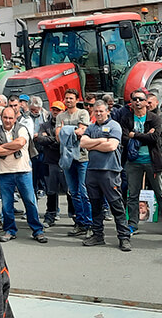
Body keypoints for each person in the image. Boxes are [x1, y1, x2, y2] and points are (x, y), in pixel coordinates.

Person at [119, 89, 162, 236]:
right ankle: (132, 224)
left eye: (141, 99)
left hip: (152, 161)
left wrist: (135, 135)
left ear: (146, 102)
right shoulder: (126, 118)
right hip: (133, 162)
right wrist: (145, 135)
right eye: (135, 99)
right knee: (132, 195)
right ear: (131, 103)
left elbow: (155, 138)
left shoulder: (154, 118)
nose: (138, 102)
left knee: (161, 194)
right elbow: (124, 138)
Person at [80, 100, 130, 251]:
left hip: (110, 171)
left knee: (116, 205)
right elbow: (82, 143)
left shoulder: (114, 125)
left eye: (102, 111)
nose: (99, 114)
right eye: (96, 111)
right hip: (93, 171)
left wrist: (93, 143)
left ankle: (124, 237)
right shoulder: (91, 127)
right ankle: (97, 235)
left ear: (107, 111)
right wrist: (102, 140)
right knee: (95, 205)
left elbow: (112, 146)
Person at [0, 106, 46, 243]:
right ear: (1, 118)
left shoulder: (22, 128)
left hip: (23, 170)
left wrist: (3, 146)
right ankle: (9, 230)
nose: (8, 120)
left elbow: (21, 142)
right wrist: (13, 146)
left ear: (15, 118)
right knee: (6, 204)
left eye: (10, 118)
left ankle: (37, 230)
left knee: (30, 201)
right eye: (5, 117)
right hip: (4, 172)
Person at [58, 100, 91, 237]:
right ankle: (80, 223)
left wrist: (66, 129)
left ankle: (90, 224)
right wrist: (73, 130)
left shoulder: (83, 113)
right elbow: (58, 136)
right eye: (66, 98)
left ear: (76, 99)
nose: (68, 100)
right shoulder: (60, 116)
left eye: (71, 98)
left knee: (84, 192)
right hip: (67, 158)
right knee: (73, 192)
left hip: (82, 158)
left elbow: (82, 132)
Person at [34, 101, 66, 226]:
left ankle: (75, 217)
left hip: (64, 162)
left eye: (58, 110)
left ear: (62, 111)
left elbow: (64, 142)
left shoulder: (66, 124)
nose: (55, 112)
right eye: (54, 109)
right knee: (51, 191)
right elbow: (41, 140)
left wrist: (50, 140)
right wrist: (56, 139)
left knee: (69, 191)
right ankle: (50, 215)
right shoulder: (45, 125)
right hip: (49, 162)